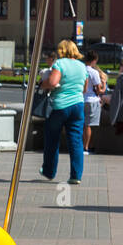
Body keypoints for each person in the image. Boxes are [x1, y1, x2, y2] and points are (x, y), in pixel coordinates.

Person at [39, 40, 88, 184]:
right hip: (78, 106)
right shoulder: (82, 66)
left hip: (60, 106)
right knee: (76, 141)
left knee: (52, 139)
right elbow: (84, 89)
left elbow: (53, 82)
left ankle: (49, 171)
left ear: (61, 50)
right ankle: (76, 176)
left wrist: (43, 84)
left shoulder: (59, 64)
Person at [83, 51, 106, 152]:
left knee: (81, 125)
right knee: (88, 125)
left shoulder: (81, 70)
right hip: (92, 101)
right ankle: (86, 147)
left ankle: (85, 145)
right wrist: (104, 84)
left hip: (80, 100)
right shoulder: (94, 72)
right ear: (94, 60)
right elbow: (99, 90)